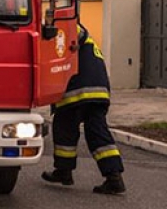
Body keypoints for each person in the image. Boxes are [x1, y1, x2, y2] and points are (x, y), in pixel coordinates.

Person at [42, 24, 126, 194]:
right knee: (97, 131)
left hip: (78, 89)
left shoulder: (67, 27)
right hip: (98, 89)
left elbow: (69, 35)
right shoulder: (84, 38)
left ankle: (64, 171)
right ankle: (114, 177)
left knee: (64, 127)